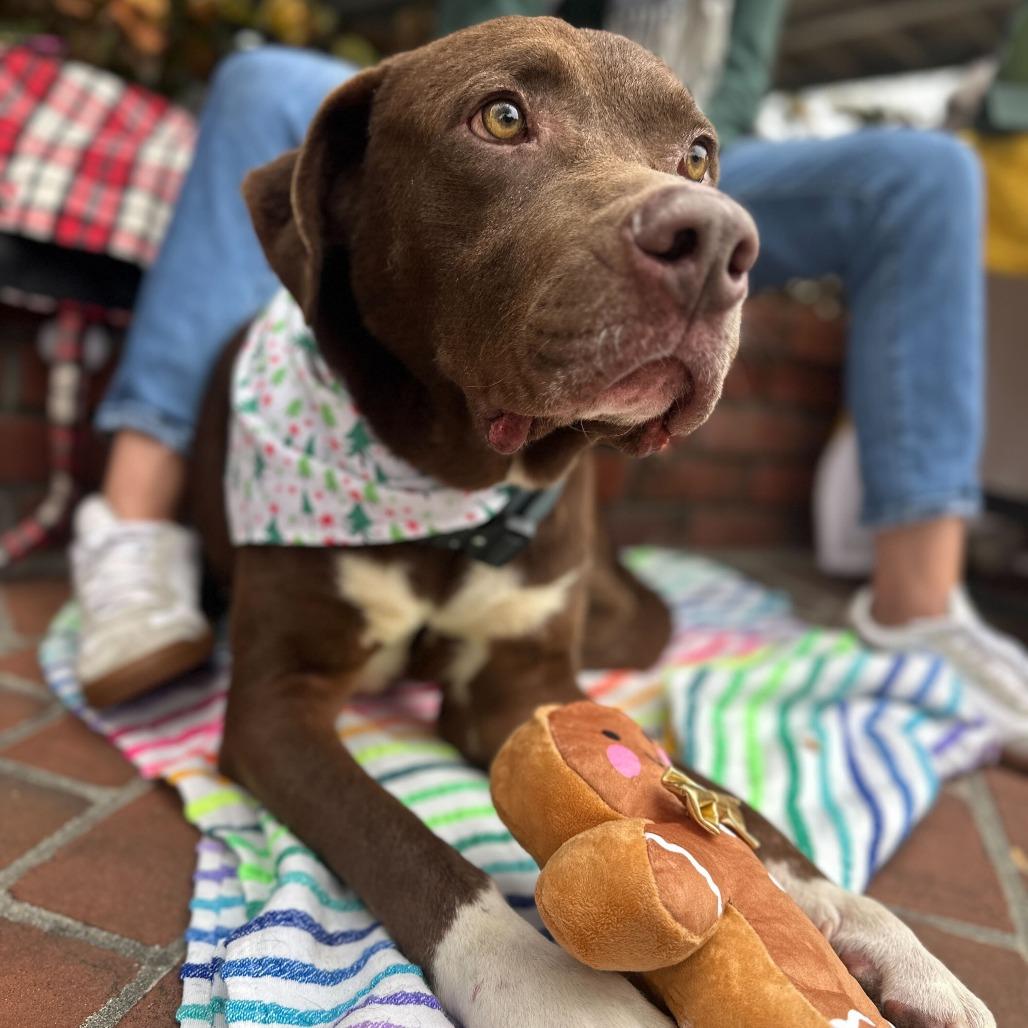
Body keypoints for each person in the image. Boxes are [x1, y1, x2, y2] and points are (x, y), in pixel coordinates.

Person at [73, 0, 1028, 746]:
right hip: (519, 122)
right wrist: (514, 122)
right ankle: (136, 520)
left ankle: (922, 604)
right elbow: (474, 47)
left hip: (660, 147)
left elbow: (726, 101)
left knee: (930, 171)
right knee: (262, 77)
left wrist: (674, 170)